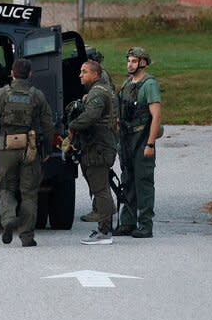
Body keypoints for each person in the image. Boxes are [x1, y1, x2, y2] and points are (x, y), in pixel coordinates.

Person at [0, 58, 54, 247]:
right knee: (30, 193)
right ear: (30, 74)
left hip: (7, 147)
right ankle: (27, 236)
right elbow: (48, 125)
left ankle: (7, 220)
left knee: (6, 188)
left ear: (12, 73)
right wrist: (46, 149)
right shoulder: (37, 96)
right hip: (30, 149)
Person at [65, 60, 118, 245]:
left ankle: (104, 232)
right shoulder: (104, 91)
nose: (80, 75)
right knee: (101, 188)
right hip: (100, 146)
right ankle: (106, 227)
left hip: (99, 148)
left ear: (95, 75)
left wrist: (72, 127)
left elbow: (91, 116)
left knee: (100, 189)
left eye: (84, 71)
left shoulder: (97, 94)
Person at [114, 47, 162, 238]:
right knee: (127, 181)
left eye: (134, 61)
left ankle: (145, 224)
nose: (130, 64)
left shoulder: (149, 85)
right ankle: (127, 222)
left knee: (143, 183)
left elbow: (156, 116)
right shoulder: (127, 84)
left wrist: (150, 144)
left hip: (142, 139)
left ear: (143, 62)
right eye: (129, 61)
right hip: (126, 141)